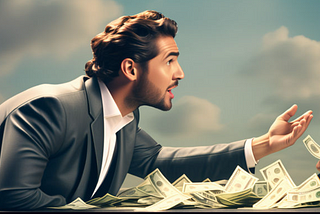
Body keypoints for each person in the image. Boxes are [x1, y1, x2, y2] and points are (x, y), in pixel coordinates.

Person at [0, 10, 314, 210]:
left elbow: (157, 161)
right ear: (130, 69)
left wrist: (263, 145)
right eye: (169, 61)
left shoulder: (123, 117)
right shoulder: (48, 109)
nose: (180, 73)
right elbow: (14, 198)